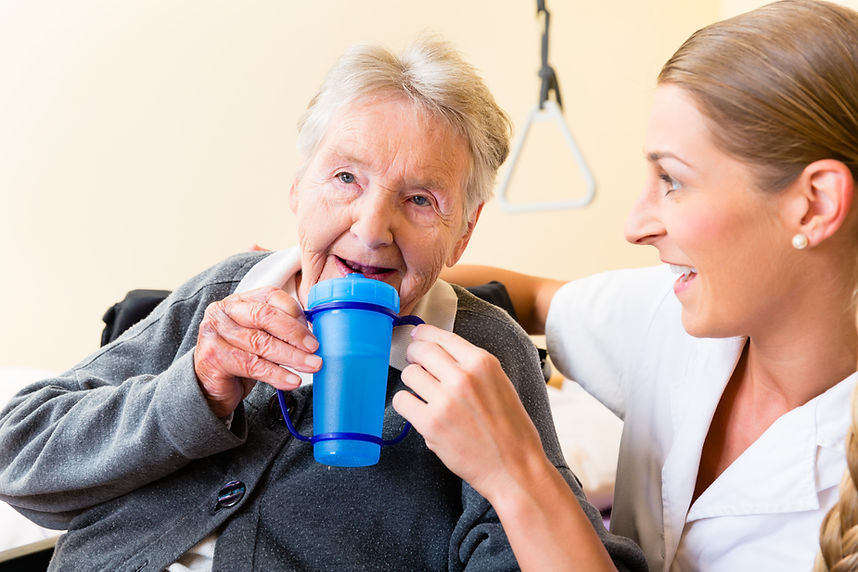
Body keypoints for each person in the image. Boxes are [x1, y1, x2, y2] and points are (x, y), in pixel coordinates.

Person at [0, 38, 646, 570]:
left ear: (464, 233)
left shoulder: (482, 350)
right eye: (345, 178)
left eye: (421, 199)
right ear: (298, 192)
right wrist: (195, 390)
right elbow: (19, 461)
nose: (371, 229)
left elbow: (535, 547)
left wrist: (507, 469)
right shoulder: (229, 294)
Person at [412, 1, 858, 570]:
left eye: (672, 180)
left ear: (815, 204)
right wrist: (358, 282)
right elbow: (525, 297)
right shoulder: (671, 314)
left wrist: (517, 473)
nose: (635, 226)